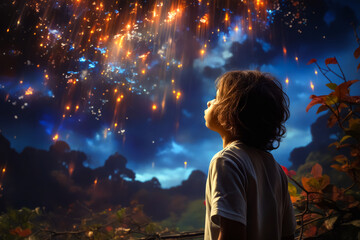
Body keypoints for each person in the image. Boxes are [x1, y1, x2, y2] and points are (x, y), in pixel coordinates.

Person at [204, 70, 296, 240]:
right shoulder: (275, 169)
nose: (210, 103)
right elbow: (288, 235)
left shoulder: (226, 161)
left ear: (231, 112)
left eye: (216, 98)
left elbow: (232, 234)